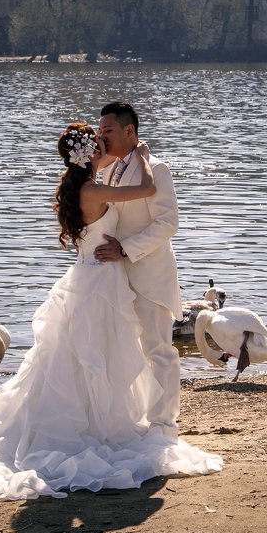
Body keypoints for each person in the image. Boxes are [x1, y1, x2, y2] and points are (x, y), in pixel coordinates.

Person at [0, 123, 222, 501]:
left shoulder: (79, 186)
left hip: (88, 278)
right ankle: (100, 428)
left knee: (83, 357)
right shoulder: (95, 188)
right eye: (99, 140)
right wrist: (144, 157)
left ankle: (96, 424)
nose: (104, 142)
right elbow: (146, 190)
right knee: (94, 357)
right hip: (99, 285)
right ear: (89, 153)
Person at [95, 101, 182, 439]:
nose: (103, 137)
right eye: (100, 131)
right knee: (125, 351)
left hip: (149, 273)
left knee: (159, 349)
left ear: (130, 131)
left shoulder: (157, 169)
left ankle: (163, 424)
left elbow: (168, 223)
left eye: (109, 131)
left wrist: (126, 249)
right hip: (114, 277)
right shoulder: (111, 169)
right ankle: (135, 417)